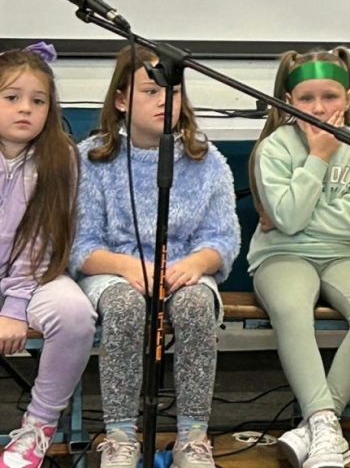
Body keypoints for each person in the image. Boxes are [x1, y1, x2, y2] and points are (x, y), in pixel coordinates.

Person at [73, 45, 241, 468]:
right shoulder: (91, 158)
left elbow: (223, 239)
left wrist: (198, 264)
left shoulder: (206, 159)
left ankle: (192, 437)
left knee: (196, 306)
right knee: (125, 307)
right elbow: (80, 245)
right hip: (115, 269)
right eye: (150, 91)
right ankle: (120, 437)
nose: (165, 100)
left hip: (183, 268)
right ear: (121, 100)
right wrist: (126, 267)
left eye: (173, 91)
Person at [247, 48, 350, 468]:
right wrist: (318, 158)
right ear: (288, 101)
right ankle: (324, 422)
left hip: (349, 255)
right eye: (306, 98)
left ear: (349, 98)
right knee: (292, 307)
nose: (319, 108)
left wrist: (297, 215)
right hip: (281, 255)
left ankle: (319, 423)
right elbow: (288, 222)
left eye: (329, 96)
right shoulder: (274, 149)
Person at [0, 45, 96, 468]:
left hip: (35, 277)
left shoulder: (61, 159)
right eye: (12, 97)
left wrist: (15, 307)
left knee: (74, 314)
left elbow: (43, 241)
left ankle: (38, 426)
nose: (26, 108)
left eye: (38, 101)